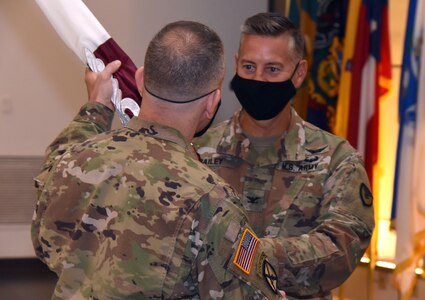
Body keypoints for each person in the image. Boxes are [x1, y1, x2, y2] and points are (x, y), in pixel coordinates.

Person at [31, 20, 281, 299]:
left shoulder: (74, 160)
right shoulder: (211, 201)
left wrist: (96, 110)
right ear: (212, 102)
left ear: (140, 79)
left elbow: (45, 240)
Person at [193, 13, 375, 300]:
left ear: (299, 73)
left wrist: (241, 253)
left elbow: (343, 248)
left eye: (273, 69)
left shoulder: (336, 160)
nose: (258, 79)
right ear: (236, 64)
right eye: (249, 66)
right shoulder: (199, 151)